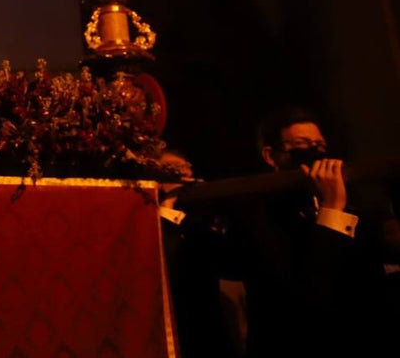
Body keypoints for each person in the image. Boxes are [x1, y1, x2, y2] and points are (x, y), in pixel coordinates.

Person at [220, 105, 388, 358]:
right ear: (271, 155)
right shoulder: (255, 216)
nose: (314, 152)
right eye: (301, 143)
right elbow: (303, 300)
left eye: (319, 145)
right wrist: (332, 210)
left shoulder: (350, 207)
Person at [155, 148, 240, 358]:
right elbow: (164, 265)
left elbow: (234, 266)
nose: (183, 174)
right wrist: (168, 205)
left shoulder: (198, 225)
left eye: (185, 168)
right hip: (168, 333)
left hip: (208, 336)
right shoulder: (150, 222)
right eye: (172, 169)